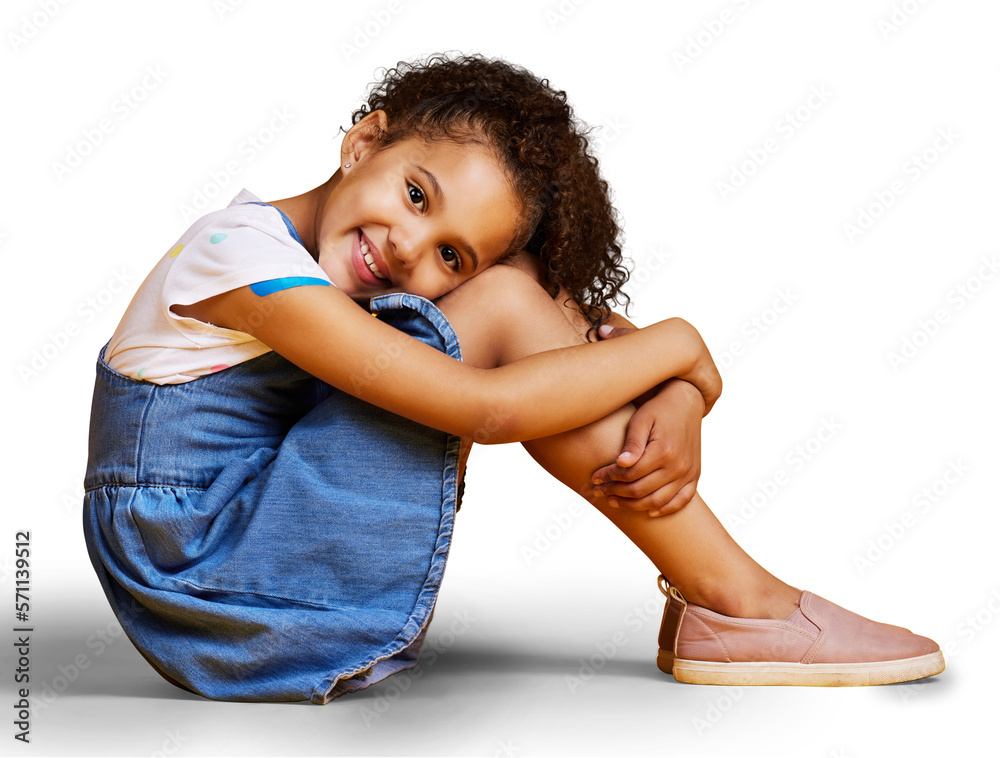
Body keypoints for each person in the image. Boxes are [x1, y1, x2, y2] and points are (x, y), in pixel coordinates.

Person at [82, 54, 943, 703]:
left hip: (247, 556)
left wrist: (686, 390)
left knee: (517, 294)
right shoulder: (237, 258)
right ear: (364, 142)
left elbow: (579, 337)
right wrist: (686, 344)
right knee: (500, 303)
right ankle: (737, 601)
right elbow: (489, 410)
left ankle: (716, 600)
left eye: (448, 251)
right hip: (206, 578)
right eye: (417, 194)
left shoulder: (340, 274)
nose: (409, 248)